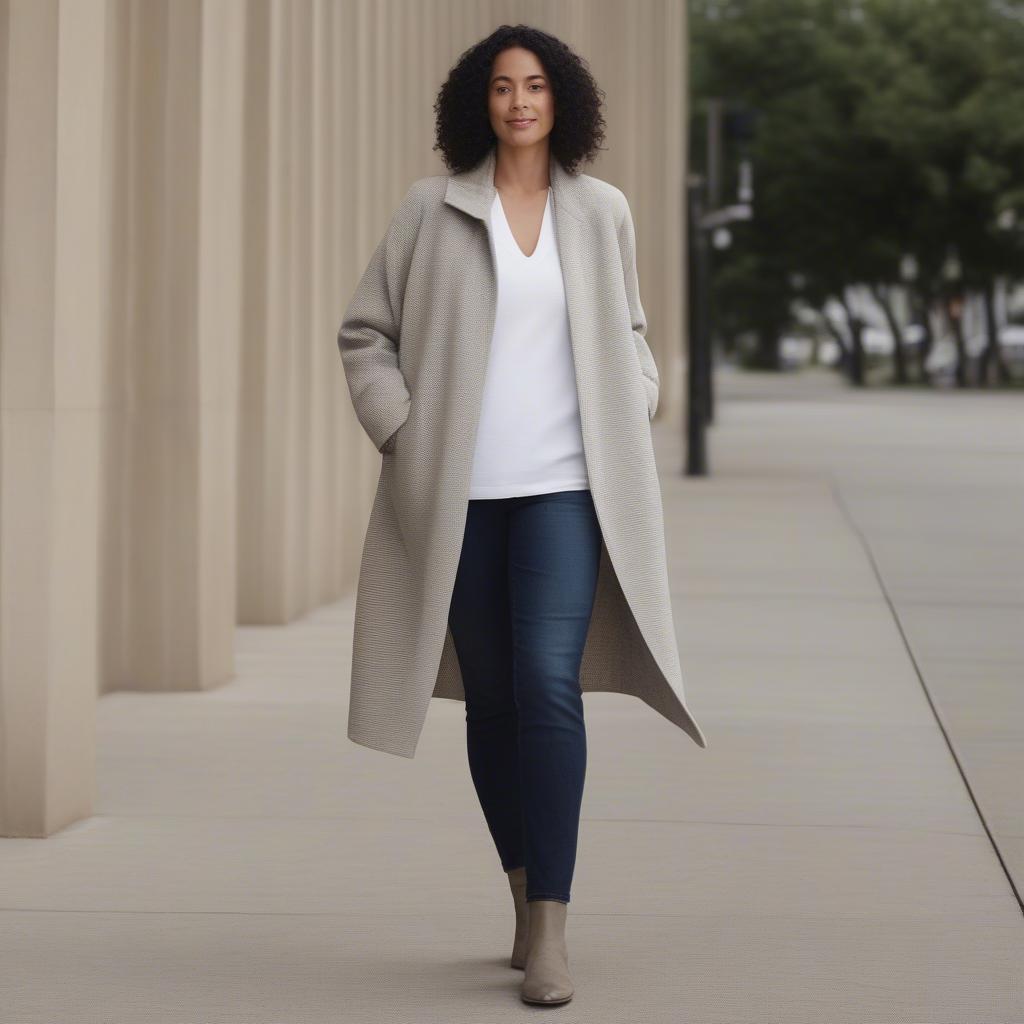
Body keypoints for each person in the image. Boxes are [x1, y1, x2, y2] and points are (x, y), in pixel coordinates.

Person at [338, 22, 707, 1008]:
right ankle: (516, 887)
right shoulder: (431, 211)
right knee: (493, 700)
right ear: (478, 102)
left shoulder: (602, 213)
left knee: (548, 685)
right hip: (454, 497)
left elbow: (629, 331)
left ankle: (552, 922)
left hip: (564, 492)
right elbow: (365, 334)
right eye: (501, 87)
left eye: (534, 85)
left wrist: (636, 398)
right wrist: (401, 431)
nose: (517, 102)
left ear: (561, 101)